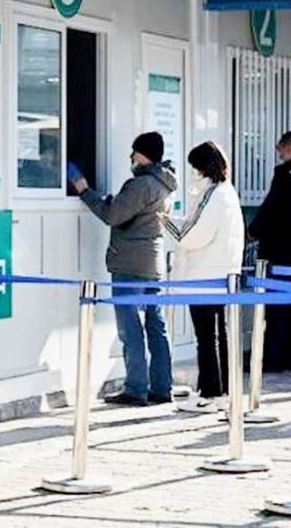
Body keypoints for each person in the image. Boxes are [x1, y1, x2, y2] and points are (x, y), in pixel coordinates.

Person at [72, 132, 178, 407]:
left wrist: (85, 191)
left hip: (130, 263)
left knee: (130, 329)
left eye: (134, 152)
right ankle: (162, 387)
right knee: (156, 327)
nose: (131, 157)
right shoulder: (165, 184)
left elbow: (113, 215)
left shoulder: (141, 184)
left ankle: (136, 388)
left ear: (144, 154)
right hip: (153, 264)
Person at [162, 142, 244, 414]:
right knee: (220, 336)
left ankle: (210, 393)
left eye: (195, 167)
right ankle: (223, 391)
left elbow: (194, 235)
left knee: (206, 338)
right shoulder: (227, 192)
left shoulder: (213, 194)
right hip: (222, 275)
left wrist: (165, 220)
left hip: (204, 276)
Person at [248, 131, 291, 372]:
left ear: (287, 148)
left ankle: (273, 355)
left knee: (275, 305)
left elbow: (271, 209)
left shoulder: (286, 175)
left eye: (280, 148)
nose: (278, 153)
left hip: (278, 249)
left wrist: (253, 230)